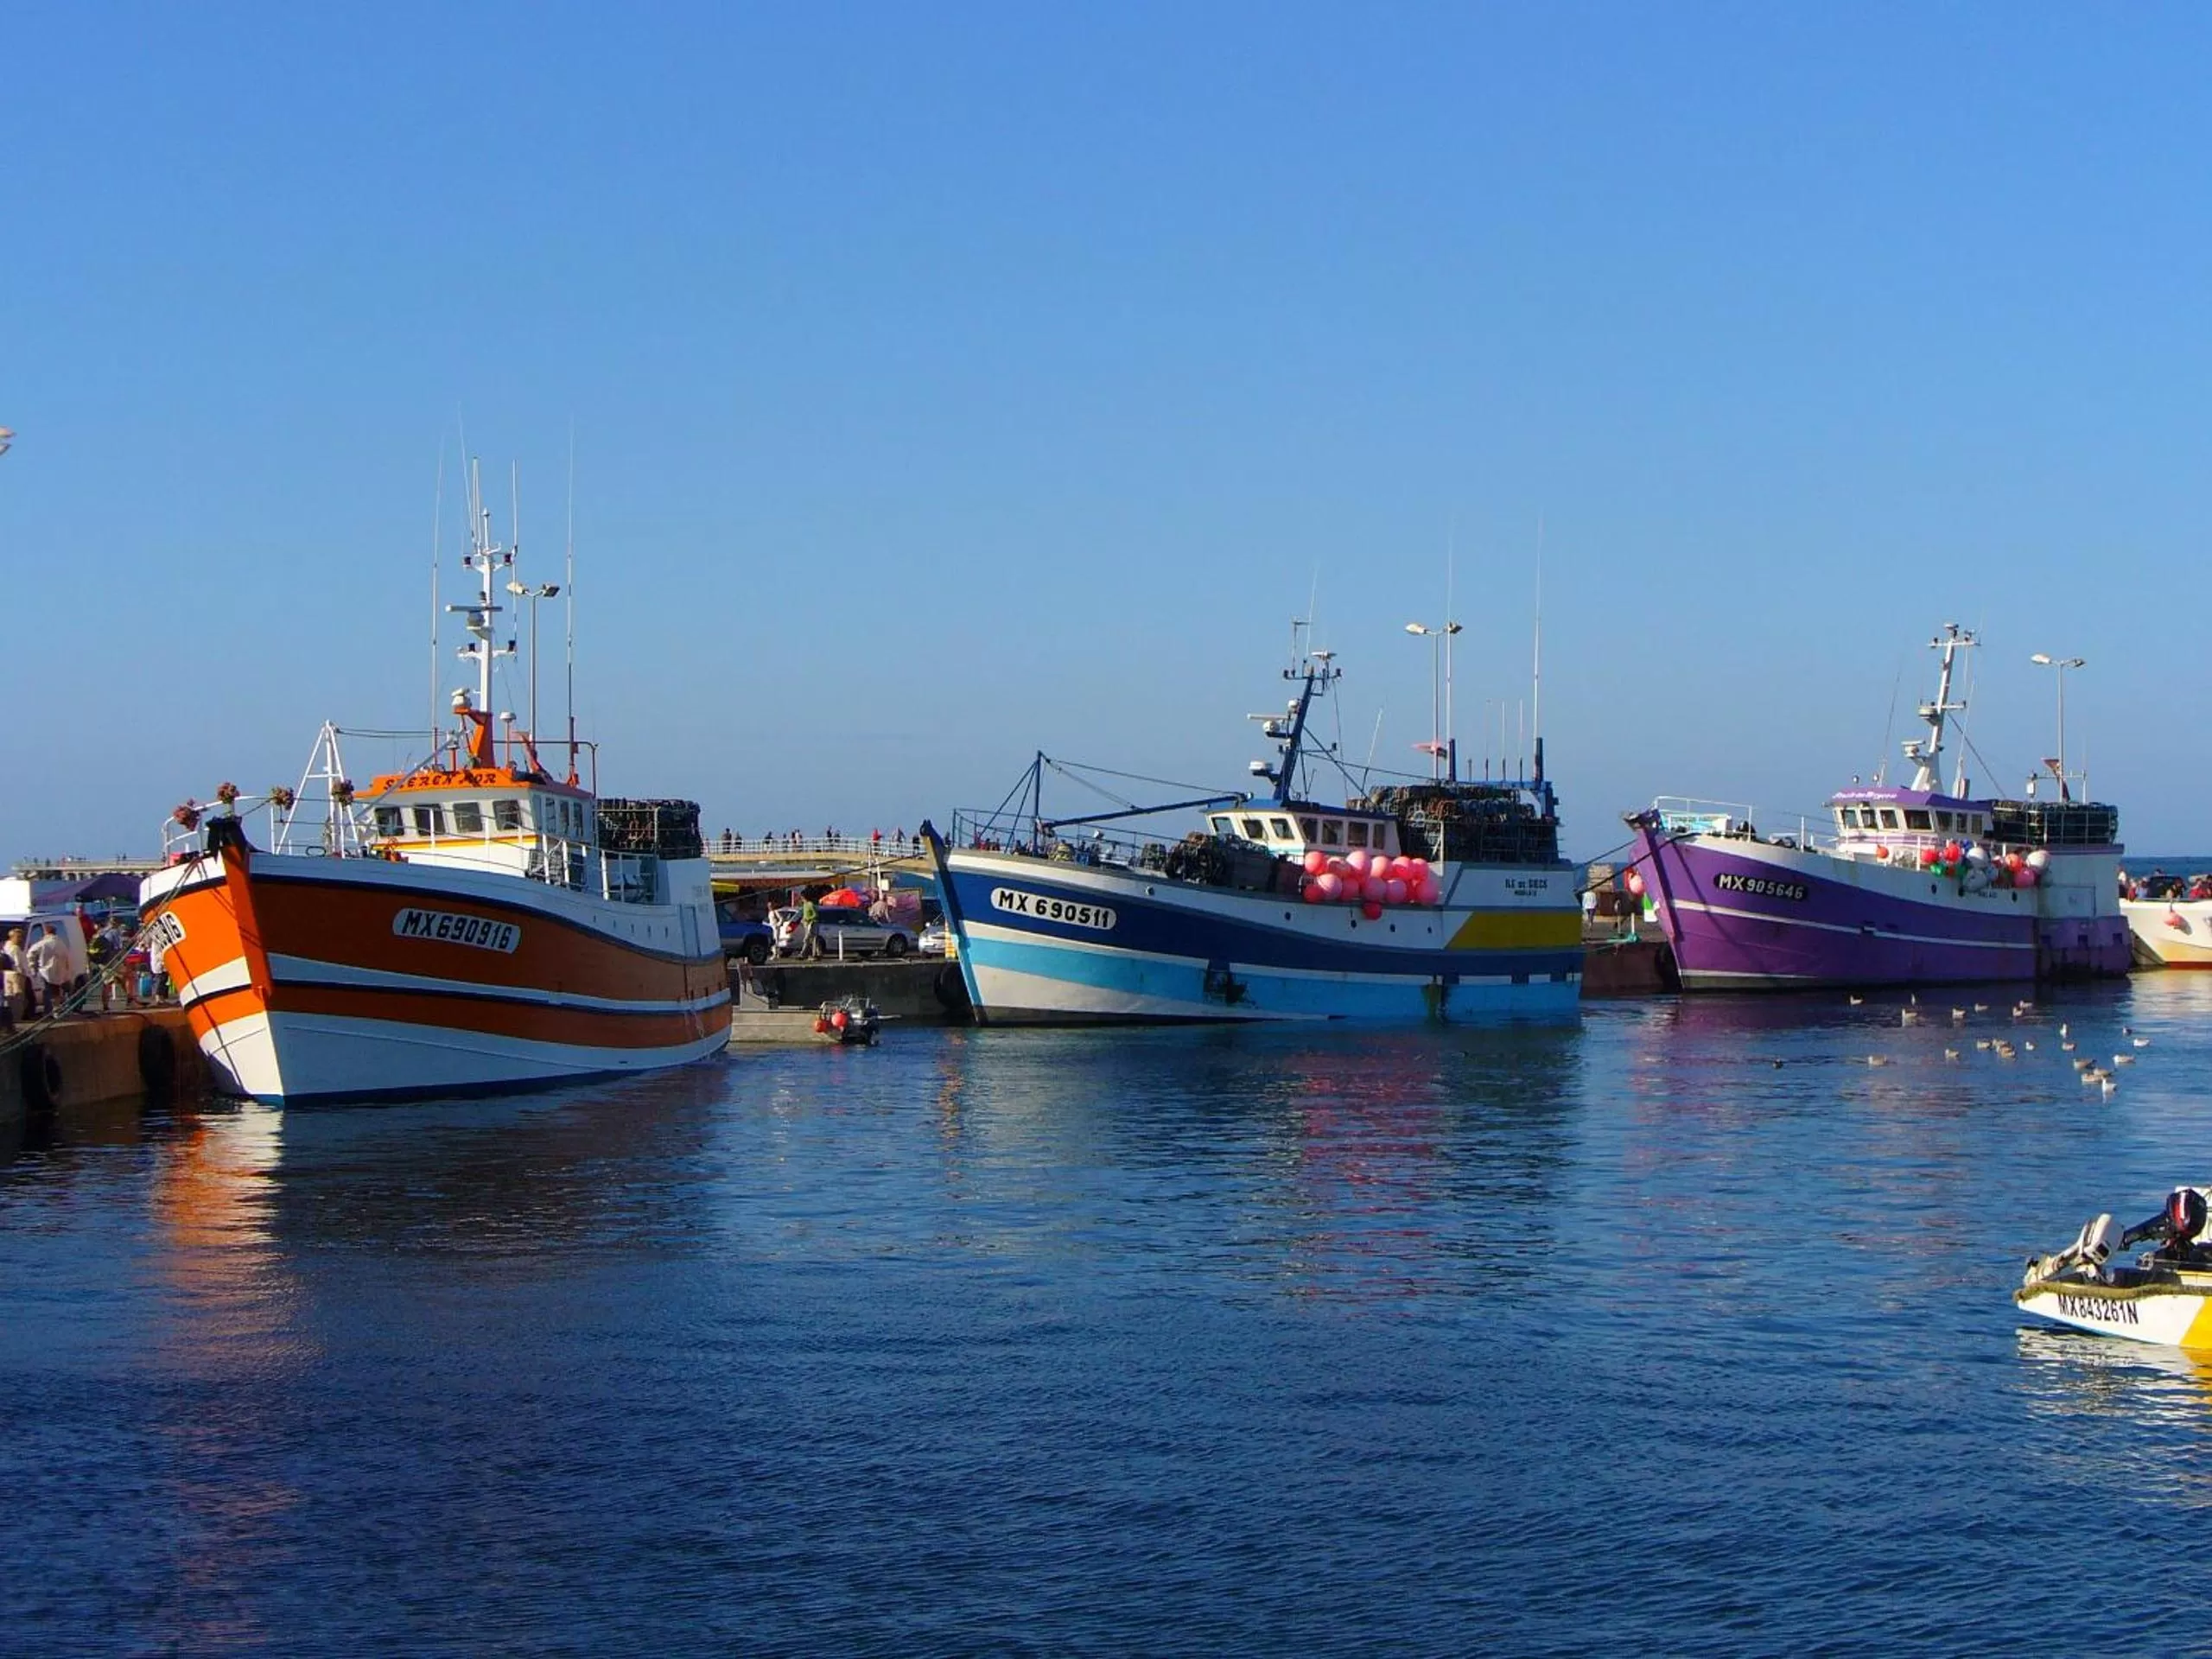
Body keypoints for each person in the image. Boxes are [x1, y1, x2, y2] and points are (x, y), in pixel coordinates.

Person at [29, 926, 68, 1019]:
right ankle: (56, 1011)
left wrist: (33, 966)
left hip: (45, 971)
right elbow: (67, 958)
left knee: (46, 992)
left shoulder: (43, 943)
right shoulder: (62, 944)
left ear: (46, 932)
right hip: (59, 972)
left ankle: (48, 1012)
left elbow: (30, 953)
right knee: (56, 992)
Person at [798, 893, 821, 959]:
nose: (801, 900)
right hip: (806, 924)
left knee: (808, 939)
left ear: (804, 898)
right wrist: (803, 919)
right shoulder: (804, 905)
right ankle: (816, 953)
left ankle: (803, 954)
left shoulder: (810, 904)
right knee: (810, 939)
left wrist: (808, 919)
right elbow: (805, 914)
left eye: (802, 898)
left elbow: (815, 915)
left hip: (812, 923)